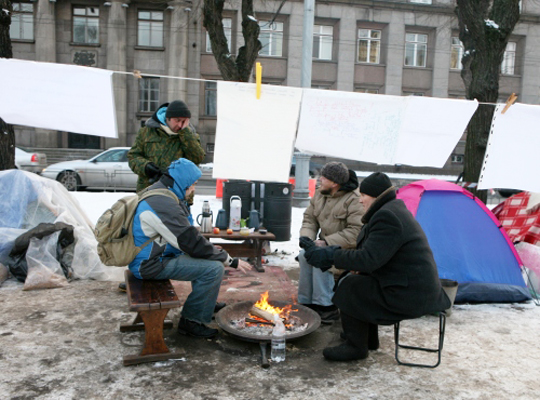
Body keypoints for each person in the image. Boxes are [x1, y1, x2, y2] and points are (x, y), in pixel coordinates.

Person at [303, 172, 451, 361]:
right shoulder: (390, 211)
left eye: (363, 196)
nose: (360, 200)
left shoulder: (387, 217)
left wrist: (331, 255)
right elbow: (375, 256)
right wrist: (331, 254)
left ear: (374, 196)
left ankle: (356, 347)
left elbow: (368, 259)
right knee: (355, 280)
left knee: (351, 286)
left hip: (409, 295)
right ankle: (366, 339)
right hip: (409, 288)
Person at [129, 158, 252, 338]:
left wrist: (209, 249)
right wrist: (228, 259)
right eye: (193, 184)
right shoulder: (162, 203)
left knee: (208, 257)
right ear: (183, 181)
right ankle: (192, 321)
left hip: (154, 257)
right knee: (214, 268)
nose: (193, 188)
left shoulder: (163, 193)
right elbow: (189, 241)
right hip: (150, 264)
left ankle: (204, 304)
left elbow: (185, 237)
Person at [297, 161, 364, 324]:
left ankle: (327, 307)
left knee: (322, 259)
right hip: (324, 244)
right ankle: (306, 303)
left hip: (346, 250)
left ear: (335, 183)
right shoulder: (320, 193)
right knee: (305, 255)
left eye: (324, 177)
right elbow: (310, 219)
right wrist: (307, 238)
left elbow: (356, 232)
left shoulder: (354, 199)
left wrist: (326, 242)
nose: (319, 179)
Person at [128, 100, 205, 193]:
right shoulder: (147, 132)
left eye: (184, 121)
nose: (180, 125)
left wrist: (185, 133)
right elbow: (133, 156)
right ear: (167, 118)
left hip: (178, 193)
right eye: (177, 120)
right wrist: (146, 166)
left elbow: (197, 158)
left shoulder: (189, 135)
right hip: (148, 190)